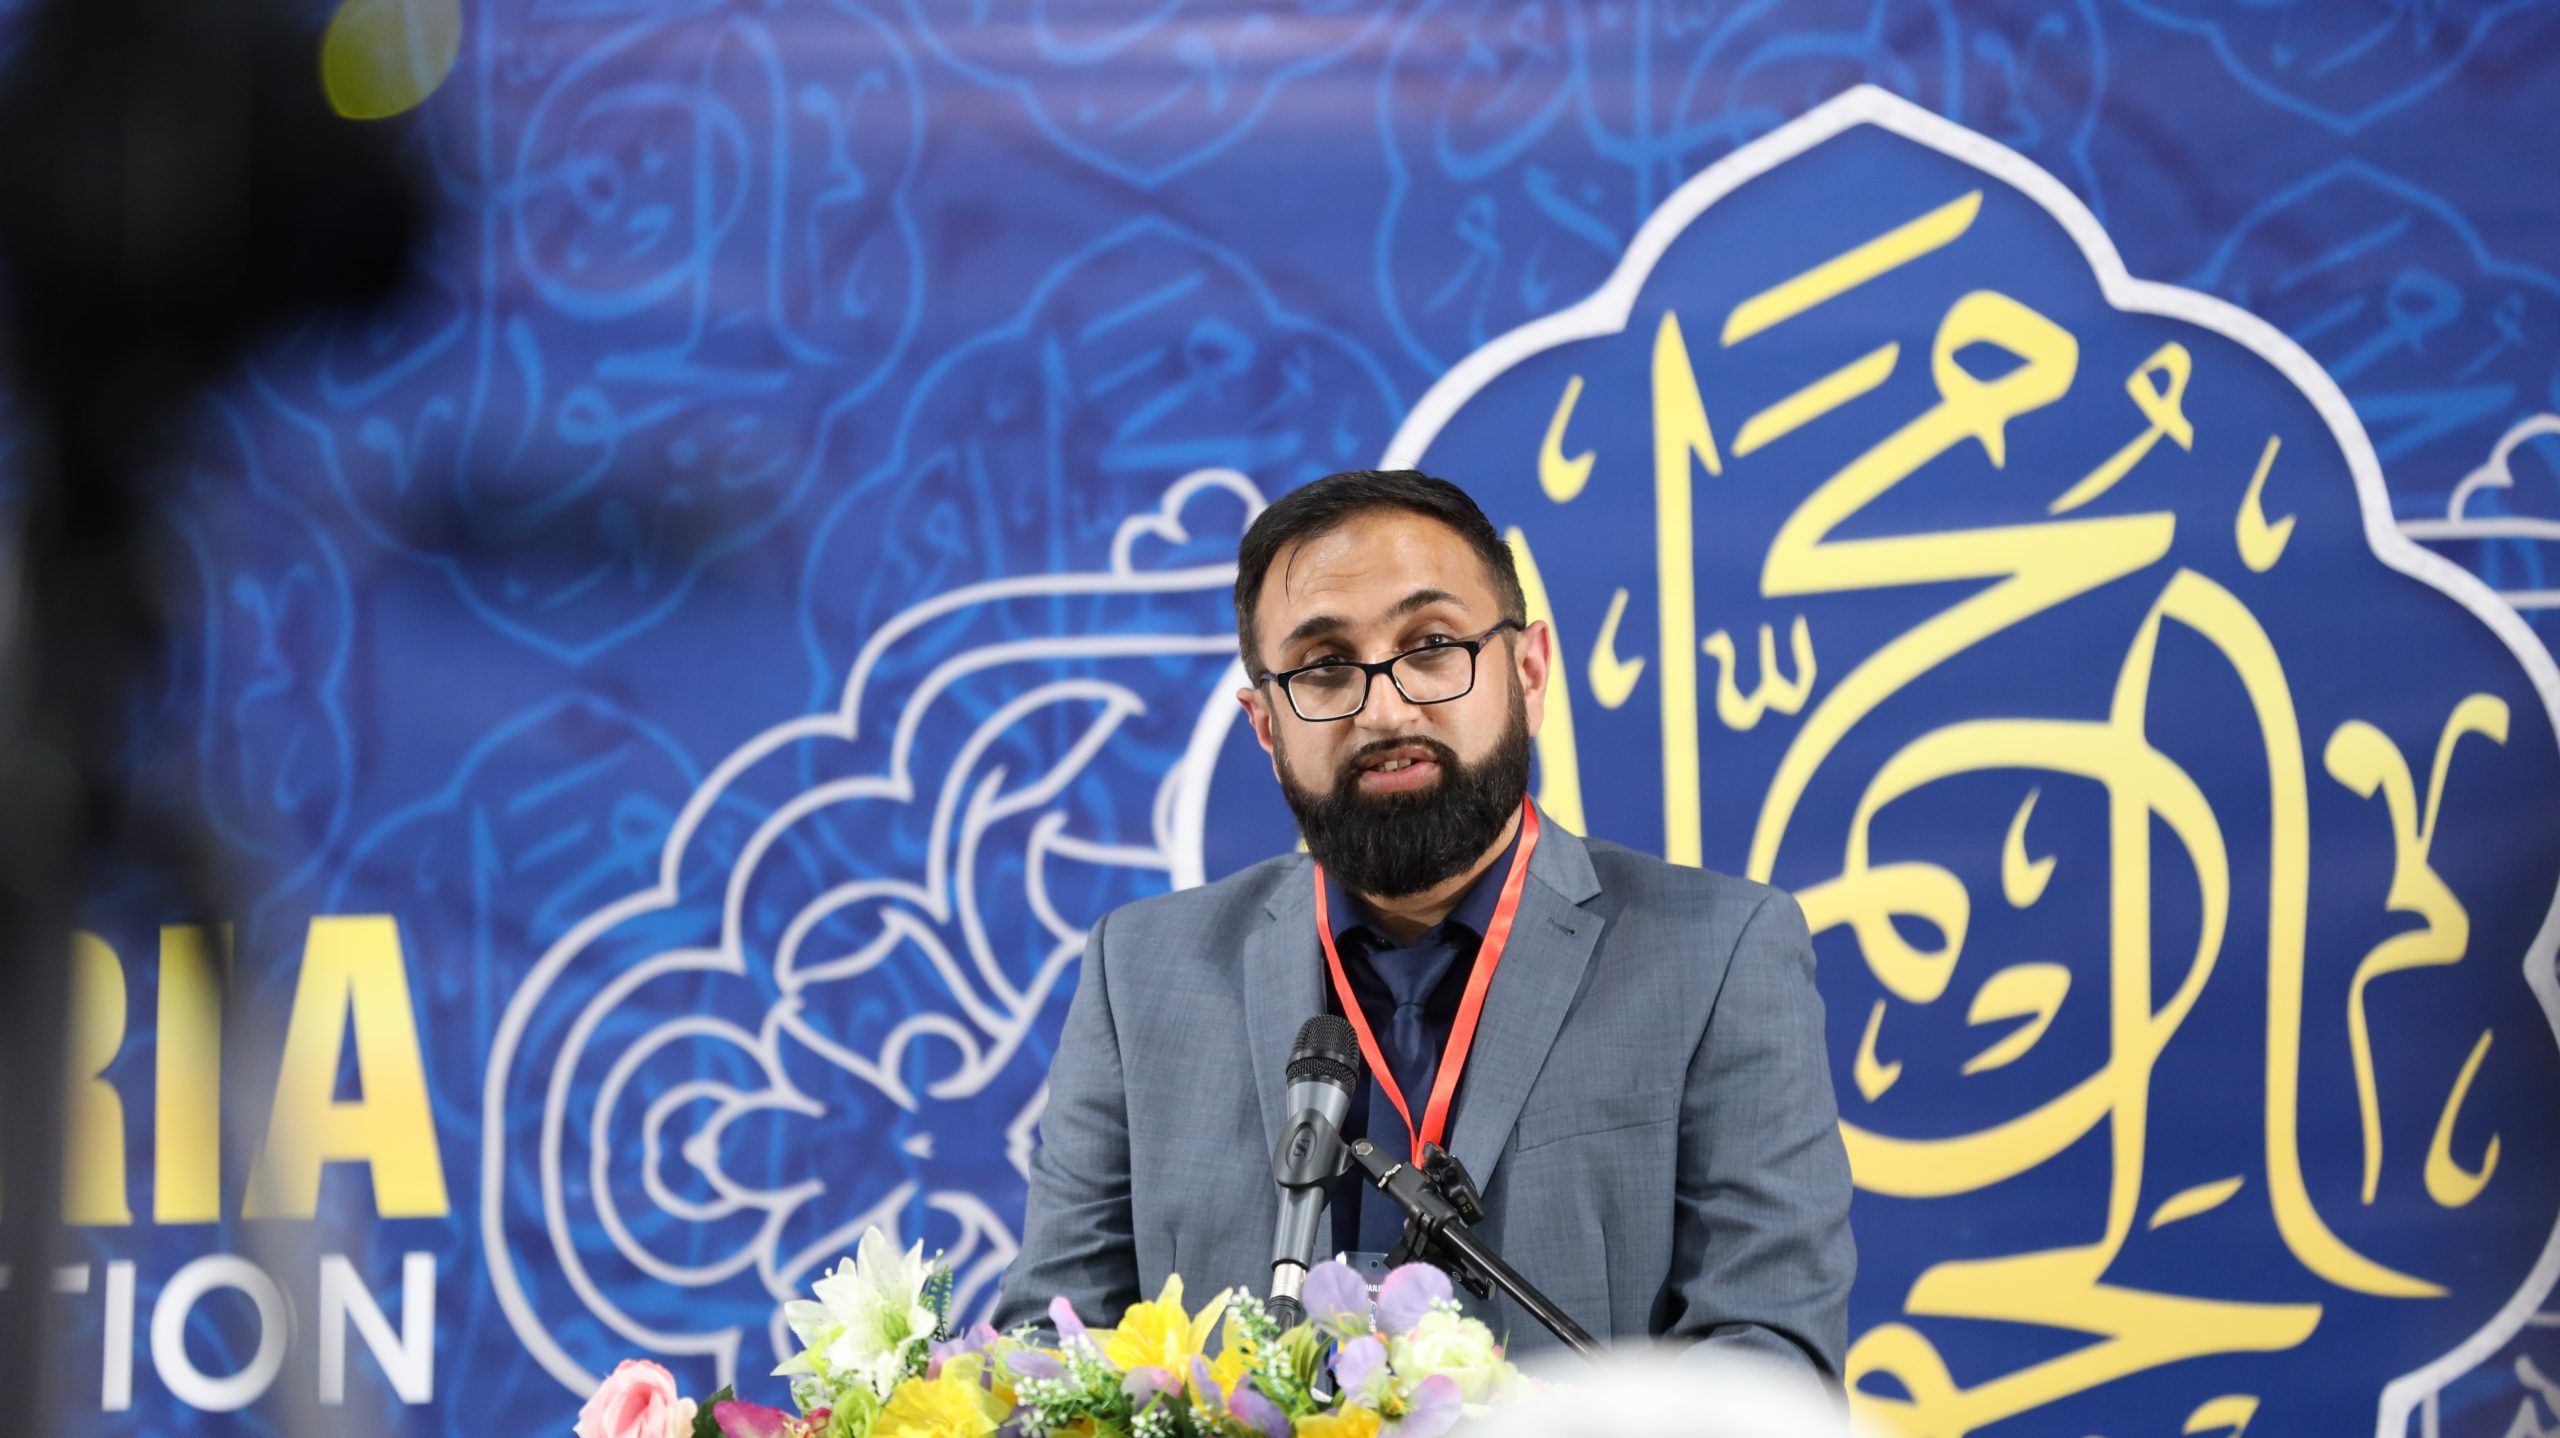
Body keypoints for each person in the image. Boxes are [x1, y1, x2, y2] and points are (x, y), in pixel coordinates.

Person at [993, 469, 1853, 1376]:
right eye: (1324, 667)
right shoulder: (1140, 973)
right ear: (1266, 725)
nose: (1386, 708)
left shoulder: (1717, 956)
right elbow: (1046, 1353)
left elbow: (1770, 1368)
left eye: (1433, 645)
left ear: (1530, 672)